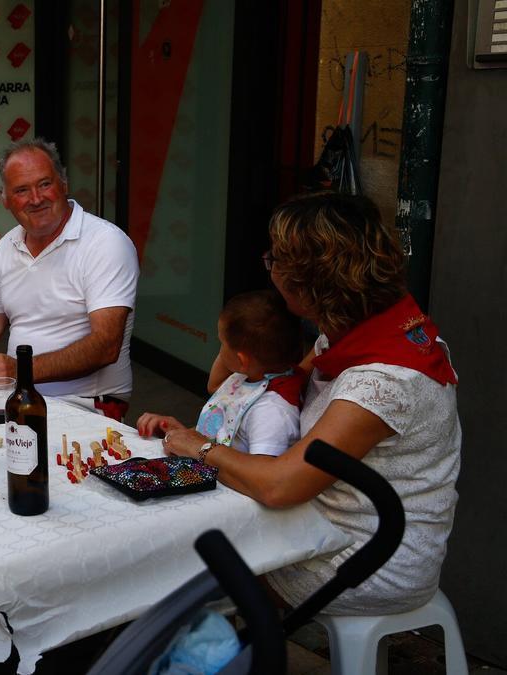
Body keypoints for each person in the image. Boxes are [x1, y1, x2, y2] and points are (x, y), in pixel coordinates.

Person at [162, 192, 460, 615]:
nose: (271, 270)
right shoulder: (357, 333)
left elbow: (279, 485)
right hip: (328, 531)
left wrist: (199, 447)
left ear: (315, 281)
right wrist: (214, 428)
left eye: (277, 260)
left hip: (364, 562)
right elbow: (257, 384)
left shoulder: (382, 381)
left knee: (180, 563)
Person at [0, 138, 139, 419]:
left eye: (45, 184)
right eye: (22, 190)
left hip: (86, 404)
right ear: (5, 199)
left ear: (64, 185)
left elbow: (106, 346)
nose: (36, 199)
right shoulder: (9, 244)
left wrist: (19, 370)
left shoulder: (105, 243)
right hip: (20, 396)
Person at [137, 290, 304, 457]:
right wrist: (181, 434)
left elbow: (262, 473)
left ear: (242, 361)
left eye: (222, 342)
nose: (219, 350)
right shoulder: (249, 378)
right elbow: (218, 436)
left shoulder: (272, 412)